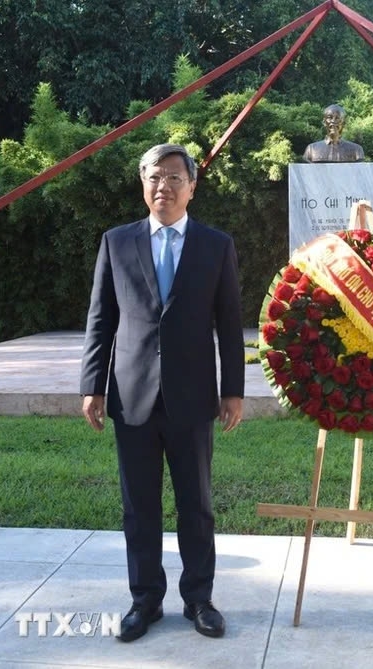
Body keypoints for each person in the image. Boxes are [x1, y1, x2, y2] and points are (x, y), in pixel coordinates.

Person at [80, 143, 245, 643]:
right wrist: (92, 386)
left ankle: (200, 599)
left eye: (175, 178)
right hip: (131, 397)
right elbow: (101, 319)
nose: (163, 186)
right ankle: (144, 600)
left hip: (193, 397)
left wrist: (233, 390)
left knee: (196, 504)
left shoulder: (216, 245)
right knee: (139, 506)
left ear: (192, 187)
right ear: (142, 183)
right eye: (155, 177)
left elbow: (230, 324)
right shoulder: (116, 241)